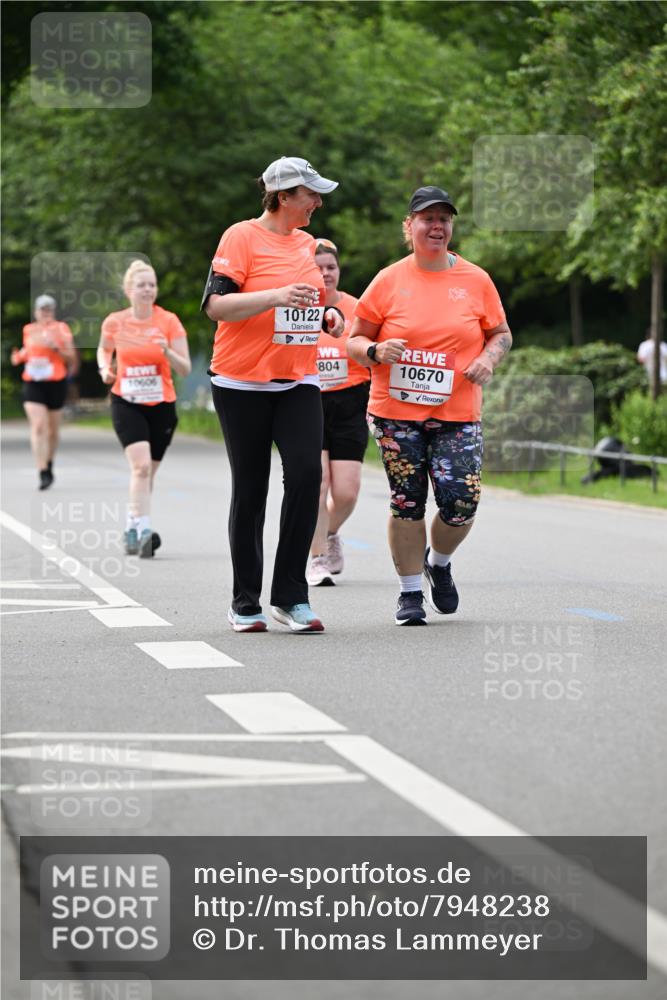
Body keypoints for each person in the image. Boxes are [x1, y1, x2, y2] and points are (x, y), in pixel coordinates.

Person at [348, 186, 512, 625]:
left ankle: (437, 562)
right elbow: (354, 339)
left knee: (462, 501)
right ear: (410, 226)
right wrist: (376, 352)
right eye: (427, 218)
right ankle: (408, 594)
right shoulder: (388, 280)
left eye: (444, 219)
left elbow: (501, 333)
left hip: (458, 412)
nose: (436, 226)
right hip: (395, 413)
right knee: (408, 500)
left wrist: (487, 359)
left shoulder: (475, 279)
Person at [201, 156, 345, 633]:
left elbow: (310, 302)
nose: (318, 202)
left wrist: (327, 317)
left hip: (298, 378)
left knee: (306, 476)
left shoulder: (306, 243)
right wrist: (275, 296)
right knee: (252, 488)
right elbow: (216, 305)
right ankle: (245, 602)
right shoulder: (240, 237)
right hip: (241, 382)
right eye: (310, 195)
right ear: (284, 196)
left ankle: (290, 597)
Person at [97, 260, 191, 557]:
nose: (148, 289)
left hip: (162, 405)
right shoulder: (115, 322)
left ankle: (131, 525)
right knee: (139, 467)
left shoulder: (169, 321)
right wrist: (103, 368)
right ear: (128, 290)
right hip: (126, 401)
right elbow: (103, 349)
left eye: (152, 284)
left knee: (147, 474)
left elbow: (186, 368)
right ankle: (145, 530)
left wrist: (166, 351)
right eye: (141, 285)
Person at [307, 238, 371, 587]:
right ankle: (316, 557)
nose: (325, 273)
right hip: (308, 403)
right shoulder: (299, 309)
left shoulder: (357, 308)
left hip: (350, 402)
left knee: (346, 492)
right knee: (317, 484)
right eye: (317, 267)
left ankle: (330, 533)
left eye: (330, 266)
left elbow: (371, 353)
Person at [11, 294, 76, 490]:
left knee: (52, 431)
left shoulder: (62, 329)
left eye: (49, 310)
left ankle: (49, 462)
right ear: (36, 312)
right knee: (39, 426)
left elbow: (71, 356)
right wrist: (19, 356)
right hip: (33, 382)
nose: (45, 313)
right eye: (42, 310)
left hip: (55, 382)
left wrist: (56, 347)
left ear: (53, 312)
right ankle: (42, 471)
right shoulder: (29, 330)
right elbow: (28, 351)